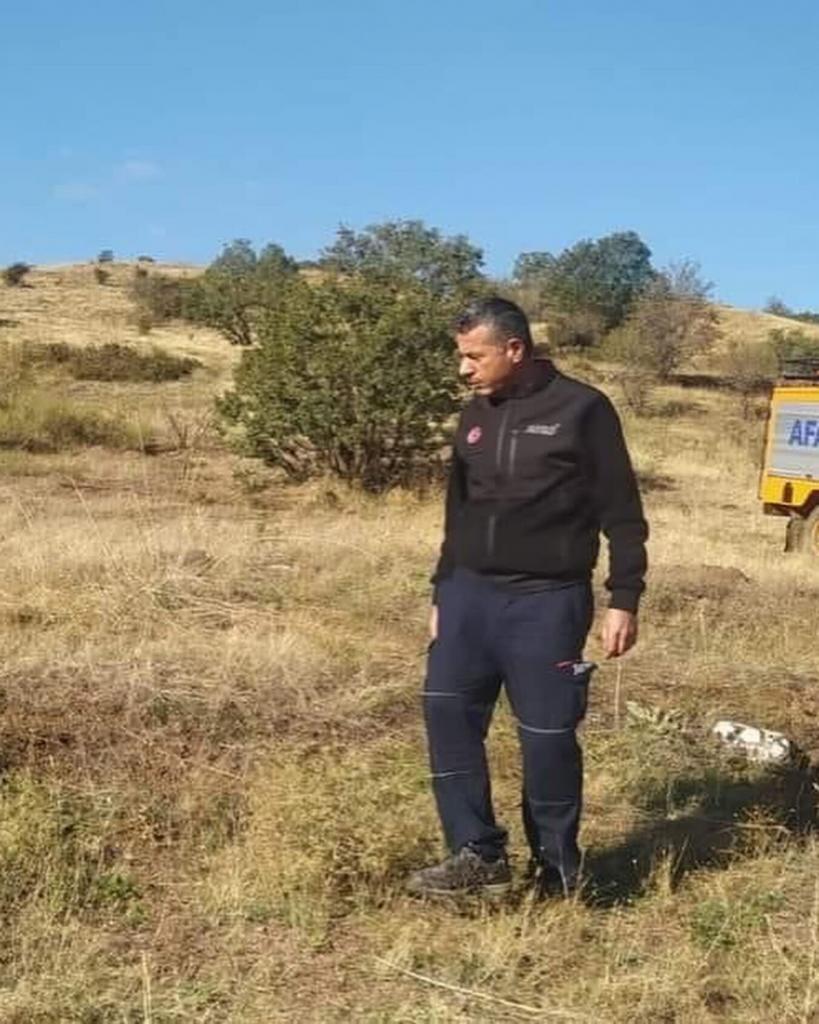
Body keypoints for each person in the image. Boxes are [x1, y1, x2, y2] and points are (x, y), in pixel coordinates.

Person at [407, 297, 648, 899]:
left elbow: (622, 512)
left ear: (514, 349)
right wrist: (442, 589)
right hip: (467, 597)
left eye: (474, 356)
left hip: (547, 601)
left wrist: (624, 597)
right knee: (446, 713)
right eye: (461, 356)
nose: (463, 369)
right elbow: (458, 512)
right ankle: (476, 854)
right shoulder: (474, 414)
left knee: (546, 737)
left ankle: (556, 870)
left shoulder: (583, 409)